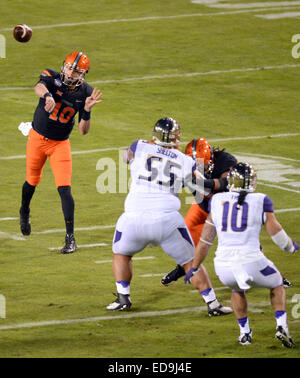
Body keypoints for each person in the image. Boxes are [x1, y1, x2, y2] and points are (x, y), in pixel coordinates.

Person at [106, 117, 232, 317]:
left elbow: (126, 156)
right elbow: (204, 187)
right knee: (191, 262)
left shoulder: (139, 146)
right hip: (166, 220)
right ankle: (212, 304)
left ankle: (123, 297)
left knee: (122, 254)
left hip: (133, 217)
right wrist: (225, 183)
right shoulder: (186, 161)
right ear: (177, 137)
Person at [185, 162, 299, 347]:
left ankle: (245, 333)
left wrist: (195, 267)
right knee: (277, 283)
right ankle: (281, 326)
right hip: (253, 261)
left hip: (223, 267)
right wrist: (290, 247)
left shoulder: (216, 201)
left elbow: (205, 242)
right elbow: (276, 233)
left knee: (237, 288)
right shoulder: (261, 200)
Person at [19, 51, 102, 253]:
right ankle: (24, 210)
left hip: (60, 144)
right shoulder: (51, 77)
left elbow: (83, 130)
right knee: (32, 180)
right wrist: (47, 95)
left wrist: (88, 110)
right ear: (63, 66)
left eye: (75, 71)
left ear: (83, 74)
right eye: (69, 68)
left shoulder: (85, 92)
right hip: (37, 139)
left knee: (64, 188)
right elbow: (38, 86)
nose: (70, 73)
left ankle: (70, 238)